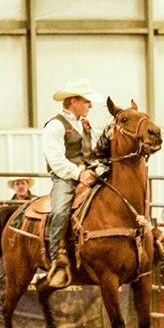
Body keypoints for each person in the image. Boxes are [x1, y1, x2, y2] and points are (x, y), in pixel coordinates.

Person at [43, 79, 98, 288]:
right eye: (87, 101)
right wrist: (78, 174)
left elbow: (91, 152)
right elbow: (56, 159)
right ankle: (56, 258)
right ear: (73, 101)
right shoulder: (55, 125)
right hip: (65, 177)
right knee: (59, 210)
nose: (90, 105)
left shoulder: (84, 125)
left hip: (88, 172)